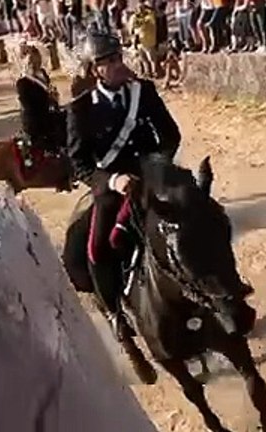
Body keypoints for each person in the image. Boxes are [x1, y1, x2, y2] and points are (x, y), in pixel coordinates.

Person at [66, 32, 182, 347]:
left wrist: (154, 166)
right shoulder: (80, 110)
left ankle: (226, 292)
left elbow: (170, 136)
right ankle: (116, 313)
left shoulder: (143, 92)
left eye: (119, 58)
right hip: (114, 191)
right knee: (96, 249)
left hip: (152, 178)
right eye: (109, 61)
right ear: (95, 70)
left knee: (199, 218)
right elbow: (80, 164)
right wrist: (112, 181)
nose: (118, 65)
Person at [14, 45, 65, 187]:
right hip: (35, 119)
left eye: (36, 60)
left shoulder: (43, 74)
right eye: (30, 62)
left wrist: (54, 99)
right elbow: (30, 106)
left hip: (47, 111)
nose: (34, 64)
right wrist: (48, 99)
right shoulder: (23, 83)